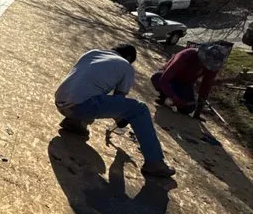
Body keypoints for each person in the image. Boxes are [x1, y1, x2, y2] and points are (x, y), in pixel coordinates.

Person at [55, 44, 175, 178]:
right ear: (129, 57)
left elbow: (83, 82)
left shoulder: (93, 53)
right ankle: (155, 163)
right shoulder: (126, 66)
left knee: (91, 92)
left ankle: (75, 123)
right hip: (81, 107)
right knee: (139, 109)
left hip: (60, 101)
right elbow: (119, 101)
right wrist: (121, 120)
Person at [151, 43, 226, 117]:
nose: (206, 67)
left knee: (189, 108)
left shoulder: (213, 66)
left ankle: (173, 97)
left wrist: (198, 110)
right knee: (156, 78)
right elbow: (164, 79)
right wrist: (174, 98)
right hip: (170, 78)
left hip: (185, 84)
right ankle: (164, 95)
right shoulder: (186, 55)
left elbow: (206, 85)